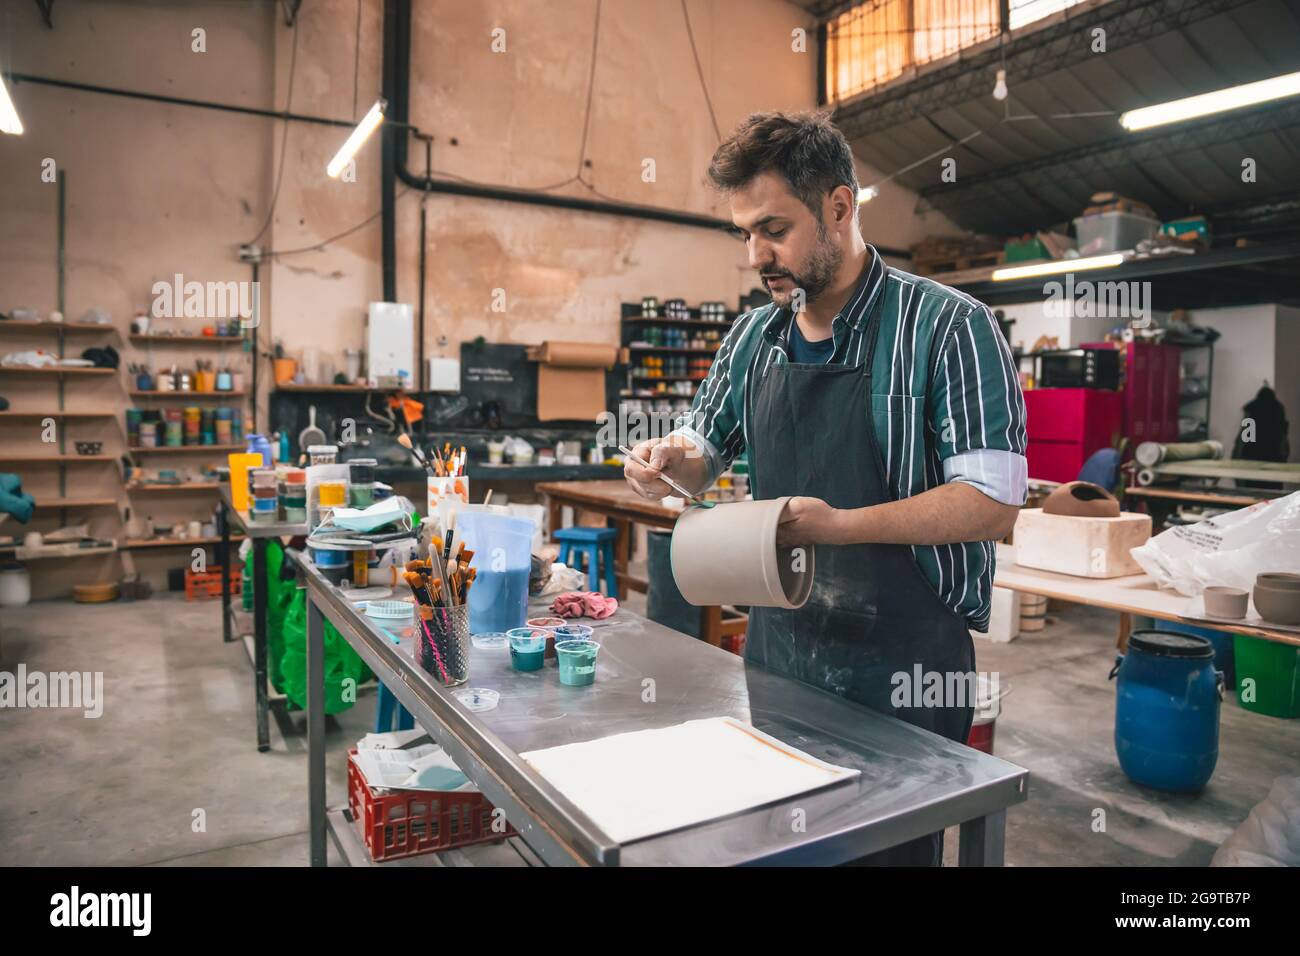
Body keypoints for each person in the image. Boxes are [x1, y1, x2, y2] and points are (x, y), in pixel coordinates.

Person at [624, 111, 1028, 866]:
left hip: (907, 665)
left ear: (839, 207)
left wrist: (836, 526)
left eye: (773, 229)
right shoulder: (755, 337)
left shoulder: (947, 328)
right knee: (784, 843)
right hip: (783, 650)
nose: (756, 255)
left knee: (887, 853)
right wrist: (662, 458)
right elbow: (702, 452)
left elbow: (994, 500)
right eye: (744, 233)